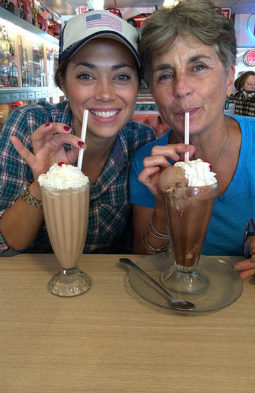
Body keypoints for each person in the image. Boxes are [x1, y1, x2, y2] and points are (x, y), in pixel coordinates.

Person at [0, 10, 155, 256]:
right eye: (85, 75)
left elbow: (137, 248)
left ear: (138, 85)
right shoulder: (30, 125)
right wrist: (43, 183)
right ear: (63, 82)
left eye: (122, 76)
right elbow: (8, 242)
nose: (105, 93)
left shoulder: (141, 141)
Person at [129, 0, 255, 279]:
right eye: (165, 74)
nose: (181, 88)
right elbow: (143, 260)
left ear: (228, 78)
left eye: (198, 67)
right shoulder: (148, 162)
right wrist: (163, 209)